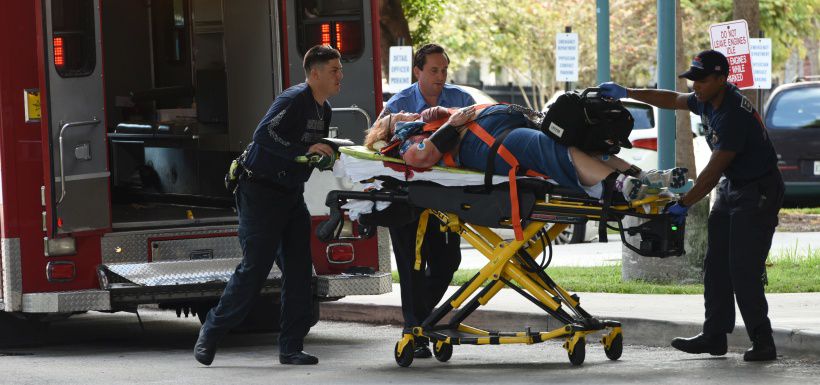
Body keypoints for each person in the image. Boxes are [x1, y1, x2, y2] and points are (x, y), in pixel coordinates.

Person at [598, 49, 783, 362]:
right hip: (732, 186)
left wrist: (684, 202)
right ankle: (715, 336)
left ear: (721, 79)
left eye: (701, 80)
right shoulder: (707, 99)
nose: (694, 85)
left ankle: (763, 342)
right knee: (716, 266)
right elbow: (672, 99)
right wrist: (627, 92)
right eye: (692, 79)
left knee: (743, 268)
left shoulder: (732, 115)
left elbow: (712, 171)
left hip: (758, 190)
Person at [194, 45, 343, 366]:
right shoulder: (292, 100)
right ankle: (212, 330)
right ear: (314, 74)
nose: (340, 76)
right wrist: (303, 148)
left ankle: (290, 347)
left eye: (340, 69)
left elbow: (305, 151)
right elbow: (264, 136)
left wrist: (324, 154)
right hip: (259, 192)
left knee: (300, 272)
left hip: (290, 195)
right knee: (255, 269)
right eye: (334, 70)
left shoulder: (324, 109)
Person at [365, 104, 688, 201]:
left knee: (572, 139)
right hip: (488, 146)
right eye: (398, 116)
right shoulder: (404, 141)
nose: (406, 114)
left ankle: (640, 176)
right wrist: (449, 123)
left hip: (498, 130)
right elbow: (421, 158)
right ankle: (613, 187)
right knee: (541, 145)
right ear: (389, 130)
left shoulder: (430, 118)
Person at [380, 44, 476, 359]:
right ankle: (417, 332)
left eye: (444, 70)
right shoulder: (399, 104)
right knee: (412, 267)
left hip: (448, 195)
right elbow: (380, 145)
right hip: (409, 195)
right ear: (417, 71)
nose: (440, 76)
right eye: (434, 70)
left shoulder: (461, 101)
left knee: (449, 261)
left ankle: (422, 322)